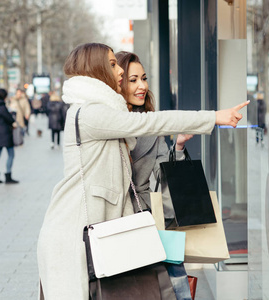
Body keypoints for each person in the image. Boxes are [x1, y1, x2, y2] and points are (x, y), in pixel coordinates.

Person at [36, 42, 249, 299]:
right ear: (97, 68)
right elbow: (152, 122)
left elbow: (154, 151)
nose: (123, 74)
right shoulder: (89, 113)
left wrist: (179, 146)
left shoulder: (103, 113)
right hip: (77, 233)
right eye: (113, 65)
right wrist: (213, 116)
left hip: (114, 231)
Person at [116, 51, 193, 299]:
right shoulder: (107, 122)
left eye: (144, 78)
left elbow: (162, 174)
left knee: (170, 285)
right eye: (133, 79)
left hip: (147, 216)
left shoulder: (151, 123)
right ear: (118, 83)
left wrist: (178, 147)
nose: (142, 86)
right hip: (114, 219)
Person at [0, 88, 19, 184]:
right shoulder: (1, 106)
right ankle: (8, 176)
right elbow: (9, 119)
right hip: (5, 132)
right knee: (11, 154)